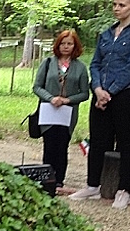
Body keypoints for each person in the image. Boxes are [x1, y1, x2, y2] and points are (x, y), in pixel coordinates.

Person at [70, 0, 130, 209]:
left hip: (126, 93)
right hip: (101, 94)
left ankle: (124, 190)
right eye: (114, 4)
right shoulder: (106, 33)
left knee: (126, 141)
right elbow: (95, 63)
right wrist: (97, 89)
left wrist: (111, 91)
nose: (117, 8)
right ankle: (93, 185)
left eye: (122, 5)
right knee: (98, 140)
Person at [32, 30, 90, 193]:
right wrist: (51, 98)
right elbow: (37, 87)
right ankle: (46, 179)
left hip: (67, 113)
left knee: (62, 146)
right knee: (49, 145)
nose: (66, 47)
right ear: (57, 45)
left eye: (69, 44)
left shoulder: (80, 67)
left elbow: (85, 93)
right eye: (63, 43)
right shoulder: (48, 63)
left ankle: (59, 181)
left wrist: (67, 100)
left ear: (75, 46)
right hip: (48, 111)